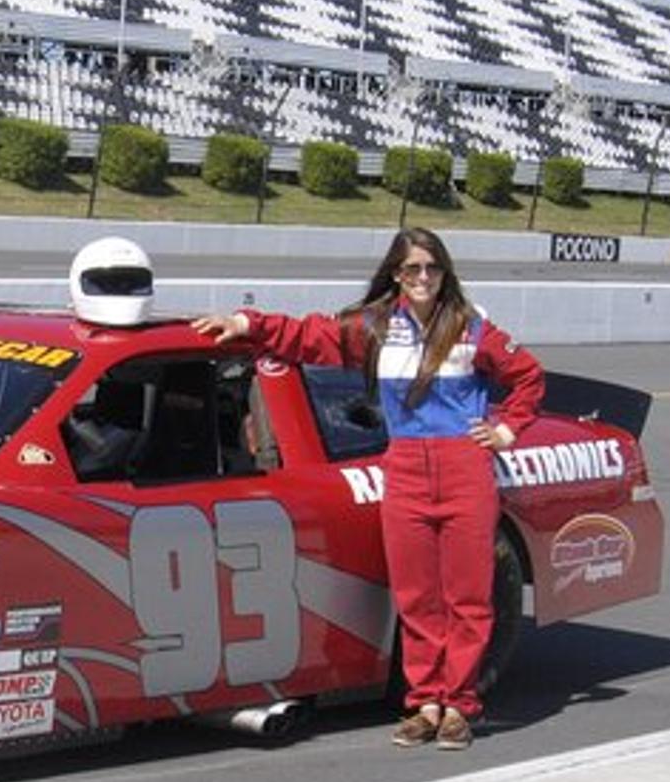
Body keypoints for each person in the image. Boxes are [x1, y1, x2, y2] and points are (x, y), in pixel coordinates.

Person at [193, 227, 543, 750]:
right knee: (416, 595)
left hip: (464, 468)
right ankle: (425, 703)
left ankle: (460, 706)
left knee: (467, 596)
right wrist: (246, 322)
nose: (422, 278)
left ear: (445, 273)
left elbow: (529, 376)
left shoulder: (471, 328)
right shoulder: (377, 327)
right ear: (396, 275)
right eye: (412, 269)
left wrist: (505, 432)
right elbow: (311, 335)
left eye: (431, 268)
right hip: (403, 467)